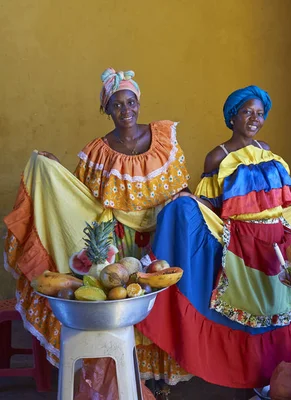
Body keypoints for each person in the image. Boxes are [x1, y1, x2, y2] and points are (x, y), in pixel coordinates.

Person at [4, 68, 196, 398]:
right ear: (107, 109)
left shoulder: (164, 140)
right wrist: (51, 170)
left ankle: (159, 380)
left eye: (131, 102)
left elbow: (182, 187)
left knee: (161, 307)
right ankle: (126, 379)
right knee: (123, 305)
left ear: (139, 102)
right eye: (117, 104)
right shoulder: (97, 152)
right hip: (118, 243)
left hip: (162, 239)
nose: (126, 110)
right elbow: (80, 196)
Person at [136, 85, 291, 389]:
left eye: (260, 113)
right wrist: (190, 201)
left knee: (279, 305)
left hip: (278, 240)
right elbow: (214, 204)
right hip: (243, 243)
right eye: (247, 112)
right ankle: (244, 375)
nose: (254, 118)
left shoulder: (267, 149)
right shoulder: (217, 156)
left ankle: (277, 377)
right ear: (233, 117)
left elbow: (281, 198)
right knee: (249, 310)